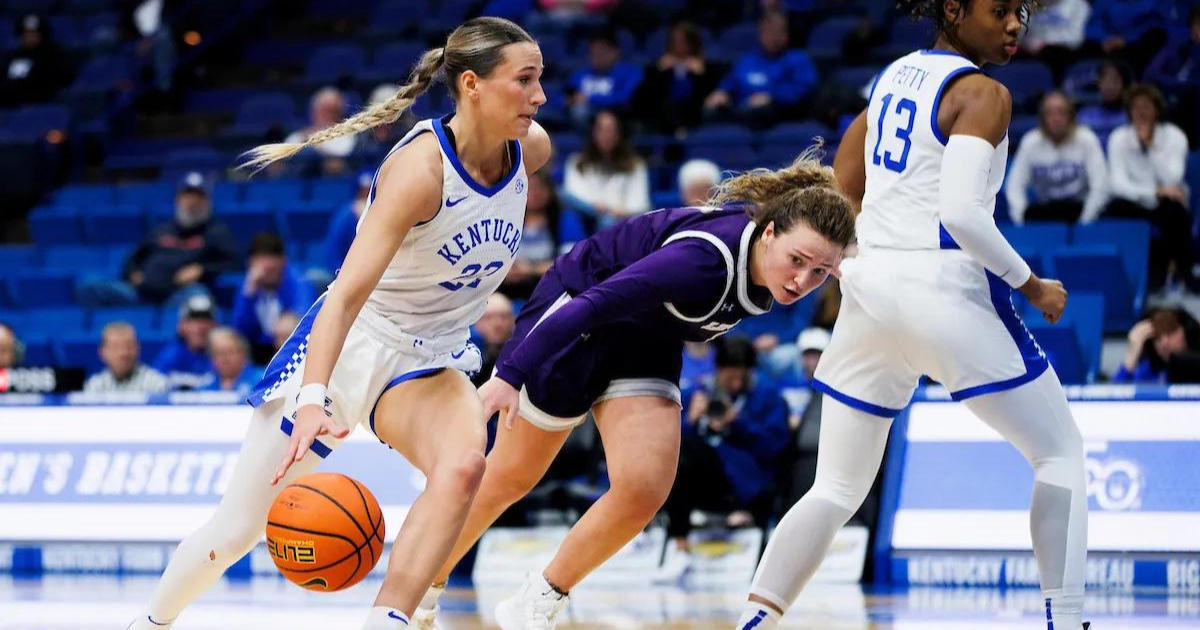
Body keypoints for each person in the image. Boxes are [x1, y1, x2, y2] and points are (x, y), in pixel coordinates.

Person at [125, 17, 551, 630]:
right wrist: (313, 397)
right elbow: (346, 295)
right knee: (239, 529)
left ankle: (397, 617)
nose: (540, 97)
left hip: (431, 356)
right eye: (526, 80)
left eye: (541, 80)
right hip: (353, 342)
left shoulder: (529, 150)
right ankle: (150, 623)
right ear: (472, 84)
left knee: (463, 467)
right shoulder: (420, 172)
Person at [735, 3, 1090, 630]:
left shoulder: (896, 76)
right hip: (944, 288)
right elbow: (961, 215)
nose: (1015, 24)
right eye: (999, 10)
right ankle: (1069, 619)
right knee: (1059, 453)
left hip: (870, 290)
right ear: (953, 10)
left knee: (836, 489)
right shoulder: (983, 93)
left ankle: (755, 620)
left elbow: (843, 183)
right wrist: (1032, 285)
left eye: (1022, 12)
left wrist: (853, 266)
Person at [416, 150, 856, 630]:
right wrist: (509, 373)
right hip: (581, 315)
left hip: (646, 336)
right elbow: (594, 303)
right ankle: (420, 588)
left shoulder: (779, 249)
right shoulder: (702, 263)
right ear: (769, 234)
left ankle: (535, 601)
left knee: (644, 488)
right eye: (797, 261)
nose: (802, 279)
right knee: (509, 478)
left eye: (820, 272)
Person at [656, 335, 791, 583]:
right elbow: (671, 442)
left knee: (689, 455)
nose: (736, 383)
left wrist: (738, 422)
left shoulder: (770, 398)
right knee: (681, 454)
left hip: (747, 482)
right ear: (717, 371)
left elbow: (775, 448)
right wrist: (691, 421)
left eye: (742, 377)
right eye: (729, 377)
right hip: (706, 477)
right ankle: (680, 544)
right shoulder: (699, 394)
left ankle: (682, 543)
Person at [80, 172, 240, 306]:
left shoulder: (217, 232)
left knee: (198, 297)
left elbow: (233, 263)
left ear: (207, 202)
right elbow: (133, 258)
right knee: (89, 286)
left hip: (176, 295)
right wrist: (133, 273)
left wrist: (202, 270)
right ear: (178, 200)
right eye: (187, 196)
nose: (192, 202)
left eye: (198, 197)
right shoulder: (162, 229)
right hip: (139, 293)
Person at [1103, 83, 1196, 294]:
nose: (1141, 112)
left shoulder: (1175, 136)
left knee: (1174, 212)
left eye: (1146, 106)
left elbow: (1173, 178)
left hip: (1167, 203)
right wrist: (1153, 191)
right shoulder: (1119, 137)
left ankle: (1180, 275)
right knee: (1114, 210)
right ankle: (1125, 279)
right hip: (1134, 201)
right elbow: (1117, 184)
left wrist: (1150, 147)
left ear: (1157, 110)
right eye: (1136, 107)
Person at [1005, 91, 1108, 224]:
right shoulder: (1030, 142)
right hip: (1045, 210)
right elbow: (1014, 185)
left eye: (1061, 112)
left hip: (1079, 208)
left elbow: (1101, 185)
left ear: (1070, 116)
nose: (1056, 118)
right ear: (1043, 118)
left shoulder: (1087, 139)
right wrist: (1021, 220)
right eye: (1050, 113)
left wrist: (1085, 221)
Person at [703, 11, 818, 128]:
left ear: (786, 34)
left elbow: (804, 88)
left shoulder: (798, 59)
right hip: (741, 110)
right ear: (761, 34)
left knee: (758, 113)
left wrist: (771, 97)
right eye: (768, 32)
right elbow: (730, 83)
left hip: (778, 113)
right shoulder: (747, 60)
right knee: (711, 110)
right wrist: (721, 93)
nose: (773, 37)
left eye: (777, 32)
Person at [231, 232, 316, 365]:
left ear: (283, 261)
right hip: (257, 348)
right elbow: (239, 329)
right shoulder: (248, 285)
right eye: (261, 259)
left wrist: (289, 319)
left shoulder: (298, 281)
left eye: (272, 260)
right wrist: (249, 294)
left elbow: (303, 315)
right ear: (250, 263)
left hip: (288, 346)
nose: (267, 266)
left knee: (287, 327)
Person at [562, 110, 651, 229]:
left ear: (619, 133)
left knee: (608, 222)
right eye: (601, 129)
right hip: (588, 219)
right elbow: (573, 194)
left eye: (611, 130)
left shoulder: (636, 165)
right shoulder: (576, 162)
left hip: (624, 223)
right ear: (593, 133)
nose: (606, 135)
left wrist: (617, 212)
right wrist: (597, 207)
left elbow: (640, 203)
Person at [1114, 306, 1200, 383]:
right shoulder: (1148, 372)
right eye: (1157, 337)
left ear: (1187, 333)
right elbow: (1113, 397)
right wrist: (1133, 352)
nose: (1164, 343)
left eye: (1170, 332)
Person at [152, 293, 219, 391]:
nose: (200, 327)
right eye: (193, 320)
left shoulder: (225, 356)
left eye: (205, 320)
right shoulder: (169, 357)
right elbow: (155, 390)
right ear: (181, 326)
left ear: (215, 325)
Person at [83, 322, 170, 394]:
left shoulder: (157, 385)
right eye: (115, 347)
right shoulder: (93, 386)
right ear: (102, 352)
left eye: (129, 346)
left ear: (138, 349)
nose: (123, 353)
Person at [200, 327, 263, 396]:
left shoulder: (262, 379)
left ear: (243, 354)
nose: (224, 359)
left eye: (230, 352)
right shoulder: (206, 384)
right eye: (219, 353)